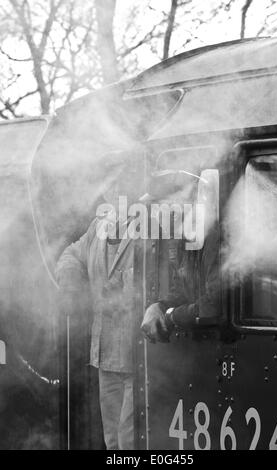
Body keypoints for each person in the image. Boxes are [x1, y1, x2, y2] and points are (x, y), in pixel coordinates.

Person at [56, 157, 141, 450]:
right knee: (113, 441)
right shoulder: (98, 227)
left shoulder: (151, 226)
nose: (115, 191)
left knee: (131, 440)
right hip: (106, 354)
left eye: (121, 184)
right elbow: (71, 254)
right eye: (110, 186)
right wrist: (69, 282)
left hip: (138, 355)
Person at [141, 169, 220, 343]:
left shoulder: (215, 239)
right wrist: (160, 307)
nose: (155, 215)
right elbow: (182, 291)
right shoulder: (185, 241)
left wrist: (171, 317)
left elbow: (214, 305)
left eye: (159, 206)